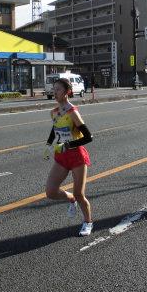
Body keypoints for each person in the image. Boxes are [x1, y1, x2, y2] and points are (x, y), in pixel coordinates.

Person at [44, 78, 94, 236]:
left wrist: (67, 145)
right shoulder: (54, 112)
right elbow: (55, 129)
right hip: (61, 156)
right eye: (54, 89)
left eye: (58, 89)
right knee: (51, 192)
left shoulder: (73, 112)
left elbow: (88, 137)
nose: (54, 92)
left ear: (67, 92)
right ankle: (70, 198)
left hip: (76, 156)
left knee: (80, 193)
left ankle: (88, 222)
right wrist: (48, 144)